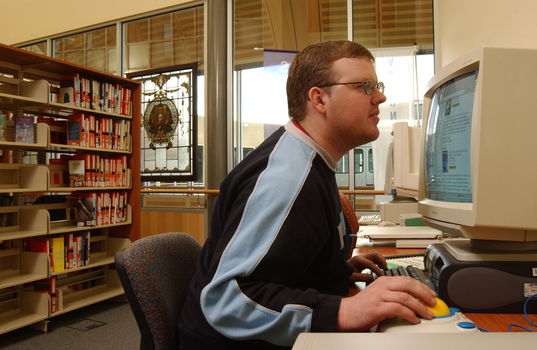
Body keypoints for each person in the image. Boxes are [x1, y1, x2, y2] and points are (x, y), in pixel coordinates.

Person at [178, 40, 437, 349]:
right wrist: (347, 308)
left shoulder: (312, 160)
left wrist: (333, 272)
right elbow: (227, 300)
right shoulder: (287, 177)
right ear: (319, 99)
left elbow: (280, 263)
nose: (380, 96)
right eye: (365, 86)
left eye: (376, 85)